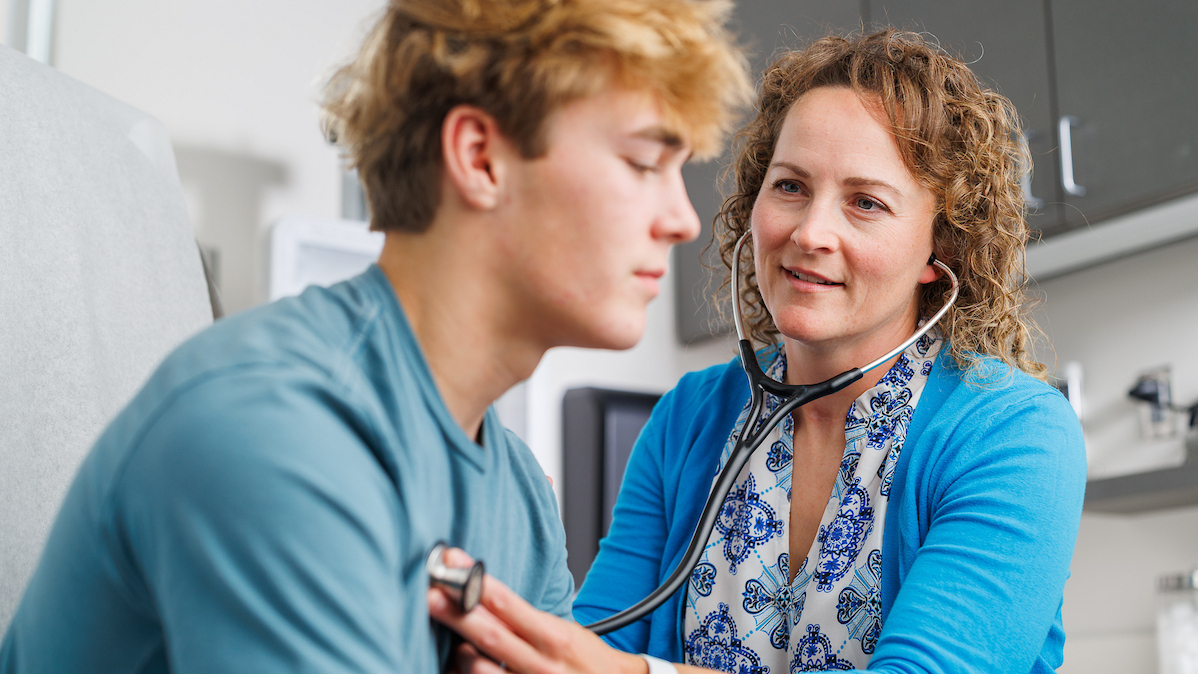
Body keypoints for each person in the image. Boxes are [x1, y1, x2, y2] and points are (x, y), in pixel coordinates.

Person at [0, 1, 751, 672]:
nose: (682, 220)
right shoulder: (277, 432)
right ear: (480, 158)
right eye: (645, 163)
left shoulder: (517, 494)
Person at [428, 29, 1087, 674]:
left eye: (865, 202)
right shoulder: (690, 418)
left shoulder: (1013, 435)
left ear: (939, 249)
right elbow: (593, 648)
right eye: (791, 186)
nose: (809, 232)